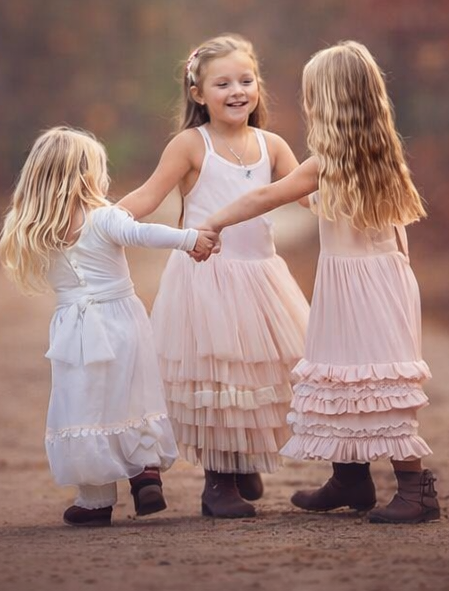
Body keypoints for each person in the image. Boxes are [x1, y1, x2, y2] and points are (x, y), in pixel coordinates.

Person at [203, 40, 440, 523]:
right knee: (341, 374)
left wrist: (213, 222)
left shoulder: (328, 164)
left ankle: (417, 490)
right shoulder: (379, 156)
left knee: (378, 382)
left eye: (312, 96)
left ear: (328, 103)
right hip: (376, 284)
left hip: (365, 292)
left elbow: (265, 197)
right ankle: (350, 477)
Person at [117, 34, 310, 518]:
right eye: (222, 83)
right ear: (199, 93)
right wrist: (105, 220)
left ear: (258, 87)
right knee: (219, 378)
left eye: (246, 80)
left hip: (262, 276)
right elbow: (147, 195)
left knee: (265, 371)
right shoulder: (190, 145)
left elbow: (311, 195)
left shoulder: (273, 145)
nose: (237, 90)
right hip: (207, 278)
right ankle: (218, 482)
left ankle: (244, 458)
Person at [0, 126, 219, 527]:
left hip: (72, 330)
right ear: (84, 176)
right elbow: (142, 232)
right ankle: (145, 472)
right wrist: (189, 238)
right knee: (132, 392)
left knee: (84, 400)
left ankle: (95, 499)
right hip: (121, 320)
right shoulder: (103, 218)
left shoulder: (33, 229)